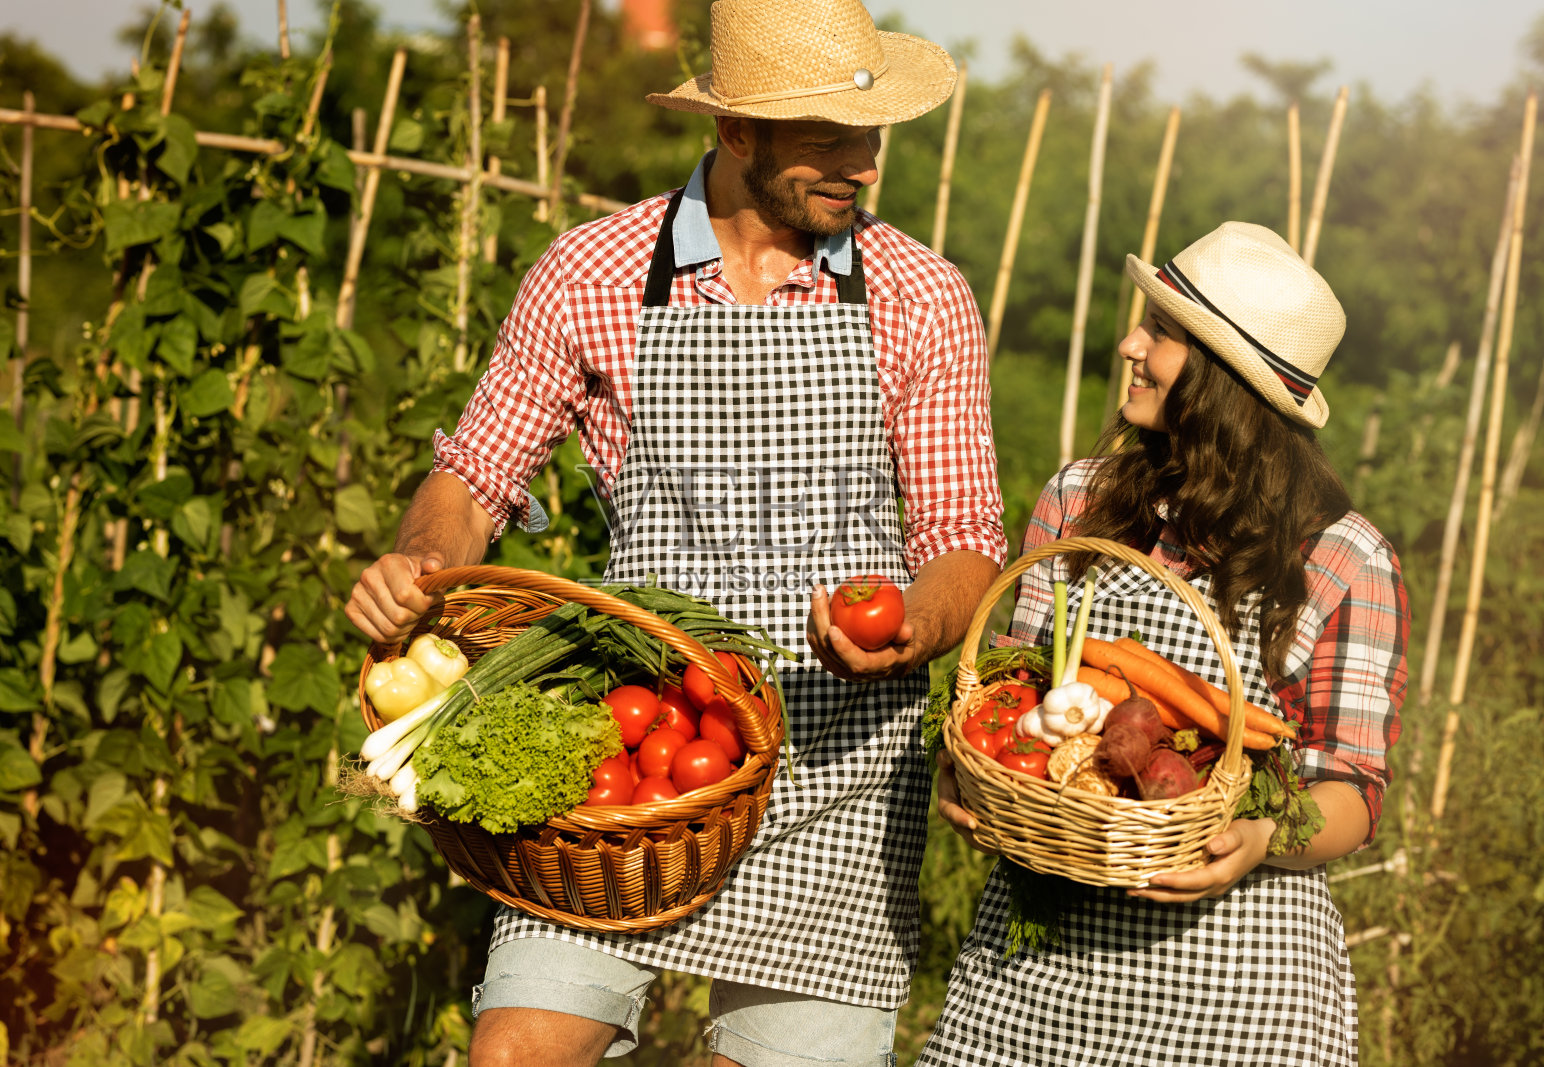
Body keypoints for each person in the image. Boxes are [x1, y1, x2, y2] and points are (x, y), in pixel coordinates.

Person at [345, 1, 1007, 1063]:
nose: (865, 168)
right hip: (628, 749)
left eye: (871, 136)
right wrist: (420, 563)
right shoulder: (591, 271)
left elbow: (962, 531)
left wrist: (916, 628)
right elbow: (471, 477)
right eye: (830, 142)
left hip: (833, 775)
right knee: (515, 1050)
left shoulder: (919, 296)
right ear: (737, 134)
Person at [924, 221, 1408, 1066]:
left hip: (1240, 977)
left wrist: (1257, 838)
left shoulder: (1342, 556)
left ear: (1222, 380)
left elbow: (1352, 789)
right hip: (1043, 961)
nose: (1128, 344)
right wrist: (968, 770)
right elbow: (1013, 699)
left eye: (1161, 333)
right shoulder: (1081, 501)